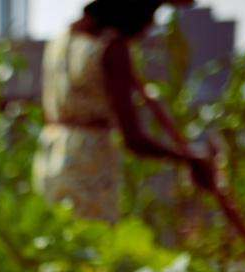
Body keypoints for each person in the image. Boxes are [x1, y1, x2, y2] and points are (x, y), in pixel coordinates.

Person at [34, 0, 215, 221]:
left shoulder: (62, 39)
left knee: (62, 240)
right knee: (93, 244)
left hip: (52, 155)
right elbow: (133, 139)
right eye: (151, 11)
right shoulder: (112, 49)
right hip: (88, 166)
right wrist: (190, 160)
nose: (151, 24)